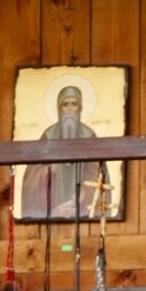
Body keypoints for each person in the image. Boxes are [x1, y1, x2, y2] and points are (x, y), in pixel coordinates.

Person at [20, 86, 103, 219]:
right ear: (59, 108)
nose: (70, 109)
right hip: (52, 205)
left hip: (81, 205)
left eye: (74, 104)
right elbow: (31, 176)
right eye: (65, 104)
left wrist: (84, 193)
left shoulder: (89, 136)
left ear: (80, 108)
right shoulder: (48, 136)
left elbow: (97, 175)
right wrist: (48, 171)